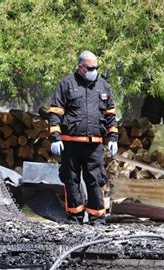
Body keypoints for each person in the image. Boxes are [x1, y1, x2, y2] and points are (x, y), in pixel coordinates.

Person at [48, 51, 118, 224]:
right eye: (90, 68)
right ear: (80, 67)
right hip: (70, 144)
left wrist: (113, 138)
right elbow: (56, 112)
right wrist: (55, 138)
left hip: (94, 145)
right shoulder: (66, 84)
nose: (94, 71)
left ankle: (97, 218)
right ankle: (75, 217)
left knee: (96, 180)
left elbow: (110, 114)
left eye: (96, 68)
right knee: (71, 180)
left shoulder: (103, 86)